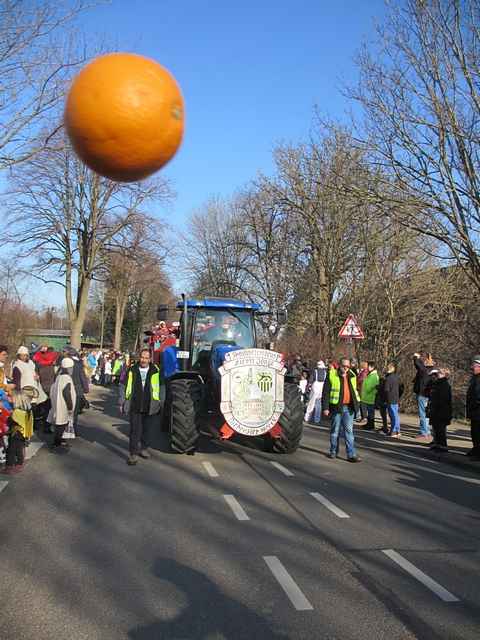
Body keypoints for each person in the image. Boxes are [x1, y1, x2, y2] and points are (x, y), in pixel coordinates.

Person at [120, 348, 161, 466]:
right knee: (134, 430)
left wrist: (160, 402)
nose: (143, 360)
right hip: (134, 405)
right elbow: (122, 386)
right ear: (139, 358)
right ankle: (133, 453)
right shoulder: (131, 370)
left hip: (150, 406)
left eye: (146, 358)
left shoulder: (156, 371)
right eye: (142, 357)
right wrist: (122, 401)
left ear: (150, 359)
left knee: (147, 429)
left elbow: (162, 387)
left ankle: (144, 448)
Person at [322, 357, 361, 462]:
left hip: (349, 408)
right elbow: (325, 392)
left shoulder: (352, 375)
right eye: (344, 366)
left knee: (349, 432)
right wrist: (325, 408)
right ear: (339, 365)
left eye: (348, 366)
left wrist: (358, 406)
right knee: (335, 431)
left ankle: (351, 454)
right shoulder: (332, 374)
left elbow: (354, 391)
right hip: (336, 408)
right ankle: (333, 451)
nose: (346, 368)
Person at [48, 357, 76, 450]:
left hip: (57, 403)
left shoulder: (59, 376)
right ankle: (56, 443)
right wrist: (70, 407)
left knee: (60, 423)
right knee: (61, 424)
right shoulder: (66, 378)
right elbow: (66, 393)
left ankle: (59, 441)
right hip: (63, 405)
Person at [3, 390, 34, 474]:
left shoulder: (16, 412)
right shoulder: (28, 410)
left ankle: (9, 467)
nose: (10, 399)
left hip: (15, 433)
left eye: (12, 397)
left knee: (11, 450)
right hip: (24, 433)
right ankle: (20, 463)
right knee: (19, 448)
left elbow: (10, 422)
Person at [427, 368, 452, 452]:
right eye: (438, 372)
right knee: (435, 427)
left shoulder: (444, 384)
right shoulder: (437, 383)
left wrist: (437, 406)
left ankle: (442, 446)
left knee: (440, 429)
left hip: (441, 410)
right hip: (435, 408)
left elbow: (443, 399)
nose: (438, 374)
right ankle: (437, 444)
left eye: (440, 373)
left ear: (445, 374)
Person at [413, 352, 435, 441]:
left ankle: (424, 432)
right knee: (426, 414)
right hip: (427, 395)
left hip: (422, 394)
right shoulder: (431, 371)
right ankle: (427, 432)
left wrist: (416, 357)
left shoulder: (424, 370)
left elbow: (418, 364)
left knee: (423, 414)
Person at [466, 355, 480, 460]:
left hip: (478, 409)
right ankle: (475, 449)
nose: (472, 368)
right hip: (474, 410)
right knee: (474, 431)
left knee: (478, 432)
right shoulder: (475, 378)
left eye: (474, 366)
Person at [383, 363, 402, 438]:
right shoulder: (397, 377)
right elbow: (401, 387)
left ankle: (394, 431)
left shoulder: (388, 378)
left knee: (393, 415)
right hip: (396, 398)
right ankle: (397, 430)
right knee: (396, 415)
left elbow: (386, 390)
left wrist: (385, 399)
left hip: (390, 399)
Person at [360, 361, 379, 430]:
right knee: (369, 412)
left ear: (372, 367)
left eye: (368, 366)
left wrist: (366, 389)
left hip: (370, 397)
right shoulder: (370, 374)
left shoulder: (374, 376)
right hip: (367, 397)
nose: (367, 367)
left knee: (371, 413)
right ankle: (369, 424)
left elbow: (370, 387)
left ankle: (371, 425)